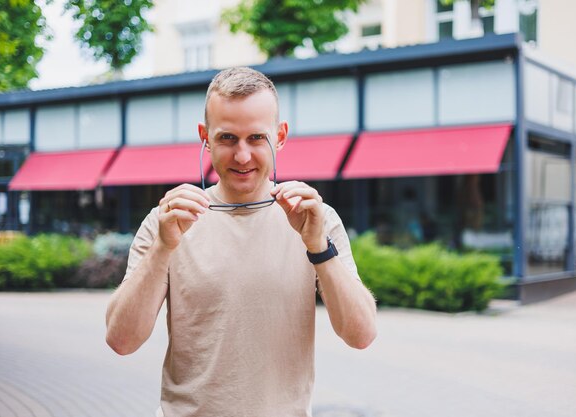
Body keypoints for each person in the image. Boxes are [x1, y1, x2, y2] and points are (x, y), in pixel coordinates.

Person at [105, 67, 377, 417]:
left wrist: (318, 247)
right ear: (205, 137)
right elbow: (122, 340)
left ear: (280, 136)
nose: (243, 156)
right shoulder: (169, 221)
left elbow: (361, 335)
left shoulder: (315, 219)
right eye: (228, 138)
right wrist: (162, 248)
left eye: (256, 138)